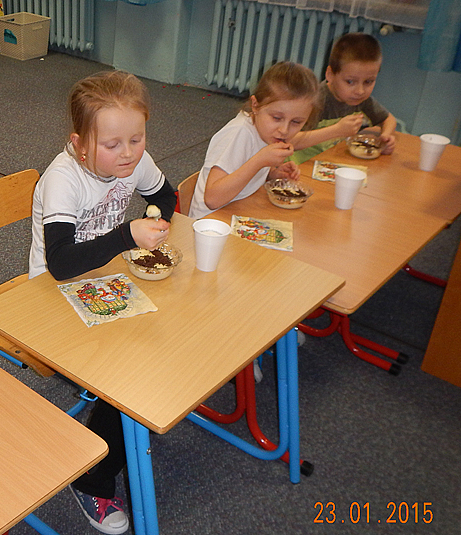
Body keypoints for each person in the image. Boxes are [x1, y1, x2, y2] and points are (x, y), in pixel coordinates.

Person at [29, 70, 177, 534]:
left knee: (175, 328)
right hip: (50, 294)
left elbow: (166, 194)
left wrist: (156, 225)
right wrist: (127, 235)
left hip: (106, 278)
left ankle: (130, 421)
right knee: (128, 374)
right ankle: (91, 479)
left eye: (137, 138)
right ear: (80, 144)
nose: (129, 153)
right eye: (113, 144)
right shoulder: (63, 178)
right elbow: (60, 263)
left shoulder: (133, 158)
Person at [189, 61, 321, 220]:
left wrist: (272, 173)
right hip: (210, 222)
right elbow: (212, 199)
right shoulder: (239, 134)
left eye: (296, 122)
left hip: (239, 210)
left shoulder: (266, 132)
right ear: (256, 106)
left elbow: (241, 171)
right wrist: (259, 161)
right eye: (277, 118)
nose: (284, 130)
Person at [290, 32, 398, 164]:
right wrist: (336, 130)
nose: (360, 91)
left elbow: (388, 119)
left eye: (368, 82)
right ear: (330, 74)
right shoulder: (314, 100)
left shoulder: (362, 100)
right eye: (350, 82)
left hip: (332, 162)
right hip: (301, 165)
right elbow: (290, 140)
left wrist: (385, 137)